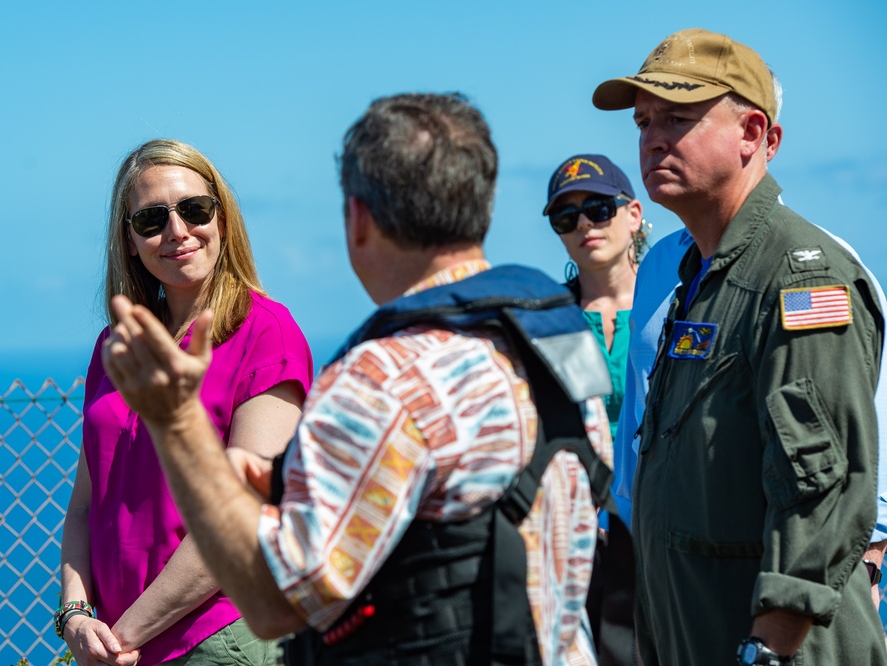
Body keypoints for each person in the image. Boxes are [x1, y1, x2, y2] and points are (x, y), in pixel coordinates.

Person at [98, 93, 616, 665]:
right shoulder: (557, 344)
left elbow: (275, 603)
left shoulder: (382, 381)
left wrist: (178, 425)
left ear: (358, 218)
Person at [593, 28, 886, 665]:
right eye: (643, 122)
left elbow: (823, 488)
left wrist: (769, 650)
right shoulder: (692, 272)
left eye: (678, 117)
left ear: (755, 134)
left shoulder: (799, 275)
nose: (652, 138)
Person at [58, 139, 313, 666]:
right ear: (129, 240)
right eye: (151, 220)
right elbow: (85, 505)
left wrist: (122, 635)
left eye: (194, 210)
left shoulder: (266, 335)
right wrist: (76, 615)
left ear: (222, 219)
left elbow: (242, 516)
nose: (177, 232)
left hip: (215, 639)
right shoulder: (117, 345)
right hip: (120, 646)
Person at [542, 154, 645, 665]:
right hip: (573, 540)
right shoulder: (547, 321)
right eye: (567, 218)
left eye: (599, 208)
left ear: (634, 214)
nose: (584, 224)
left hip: (658, 528)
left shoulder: (672, 306)